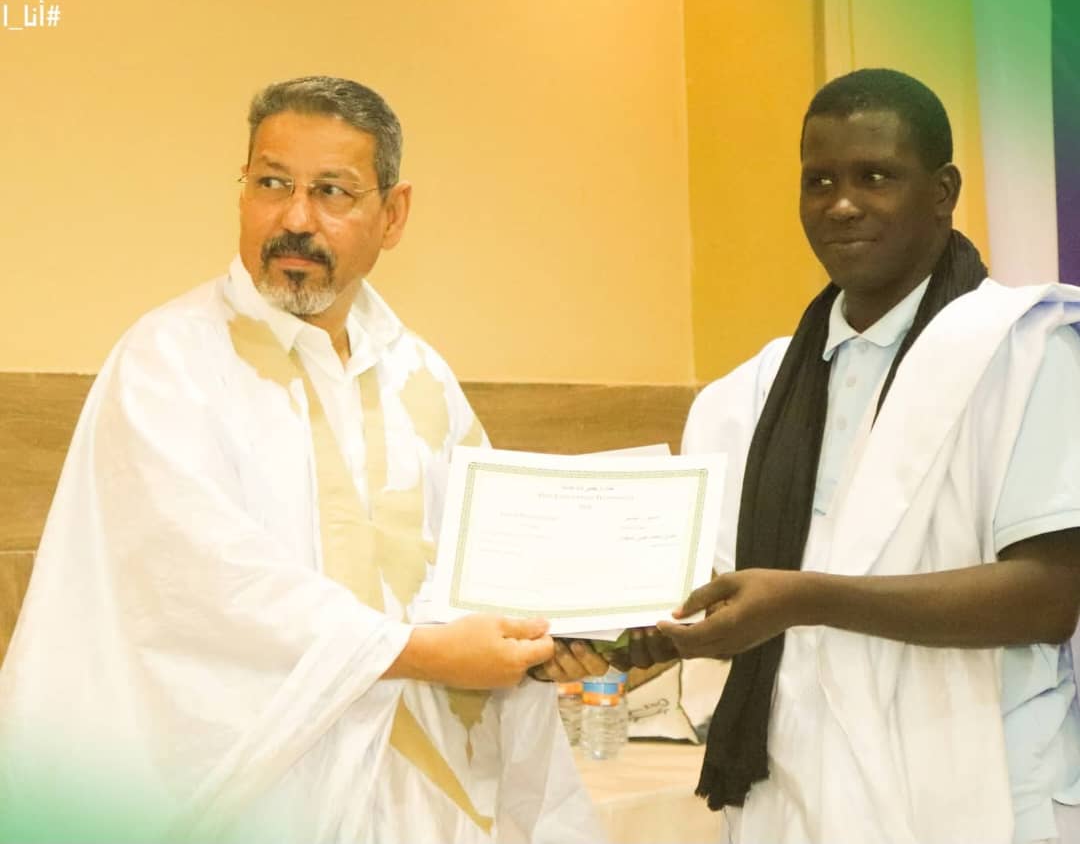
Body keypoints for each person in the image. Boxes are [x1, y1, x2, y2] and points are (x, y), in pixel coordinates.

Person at [0, 76, 604, 844]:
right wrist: (416, 652)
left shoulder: (421, 378)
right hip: (254, 802)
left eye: (332, 192)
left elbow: (488, 560)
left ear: (393, 214)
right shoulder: (169, 363)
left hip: (422, 803)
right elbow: (199, 584)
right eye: (271, 184)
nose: (294, 218)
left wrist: (555, 638)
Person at [654, 68, 1080, 843]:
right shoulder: (750, 392)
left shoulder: (1027, 352)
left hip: (980, 791)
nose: (841, 204)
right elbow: (706, 594)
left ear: (943, 192)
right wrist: (620, 640)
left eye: (874, 177)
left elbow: (1049, 596)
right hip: (795, 788)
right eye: (818, 181)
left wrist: (805, 600)